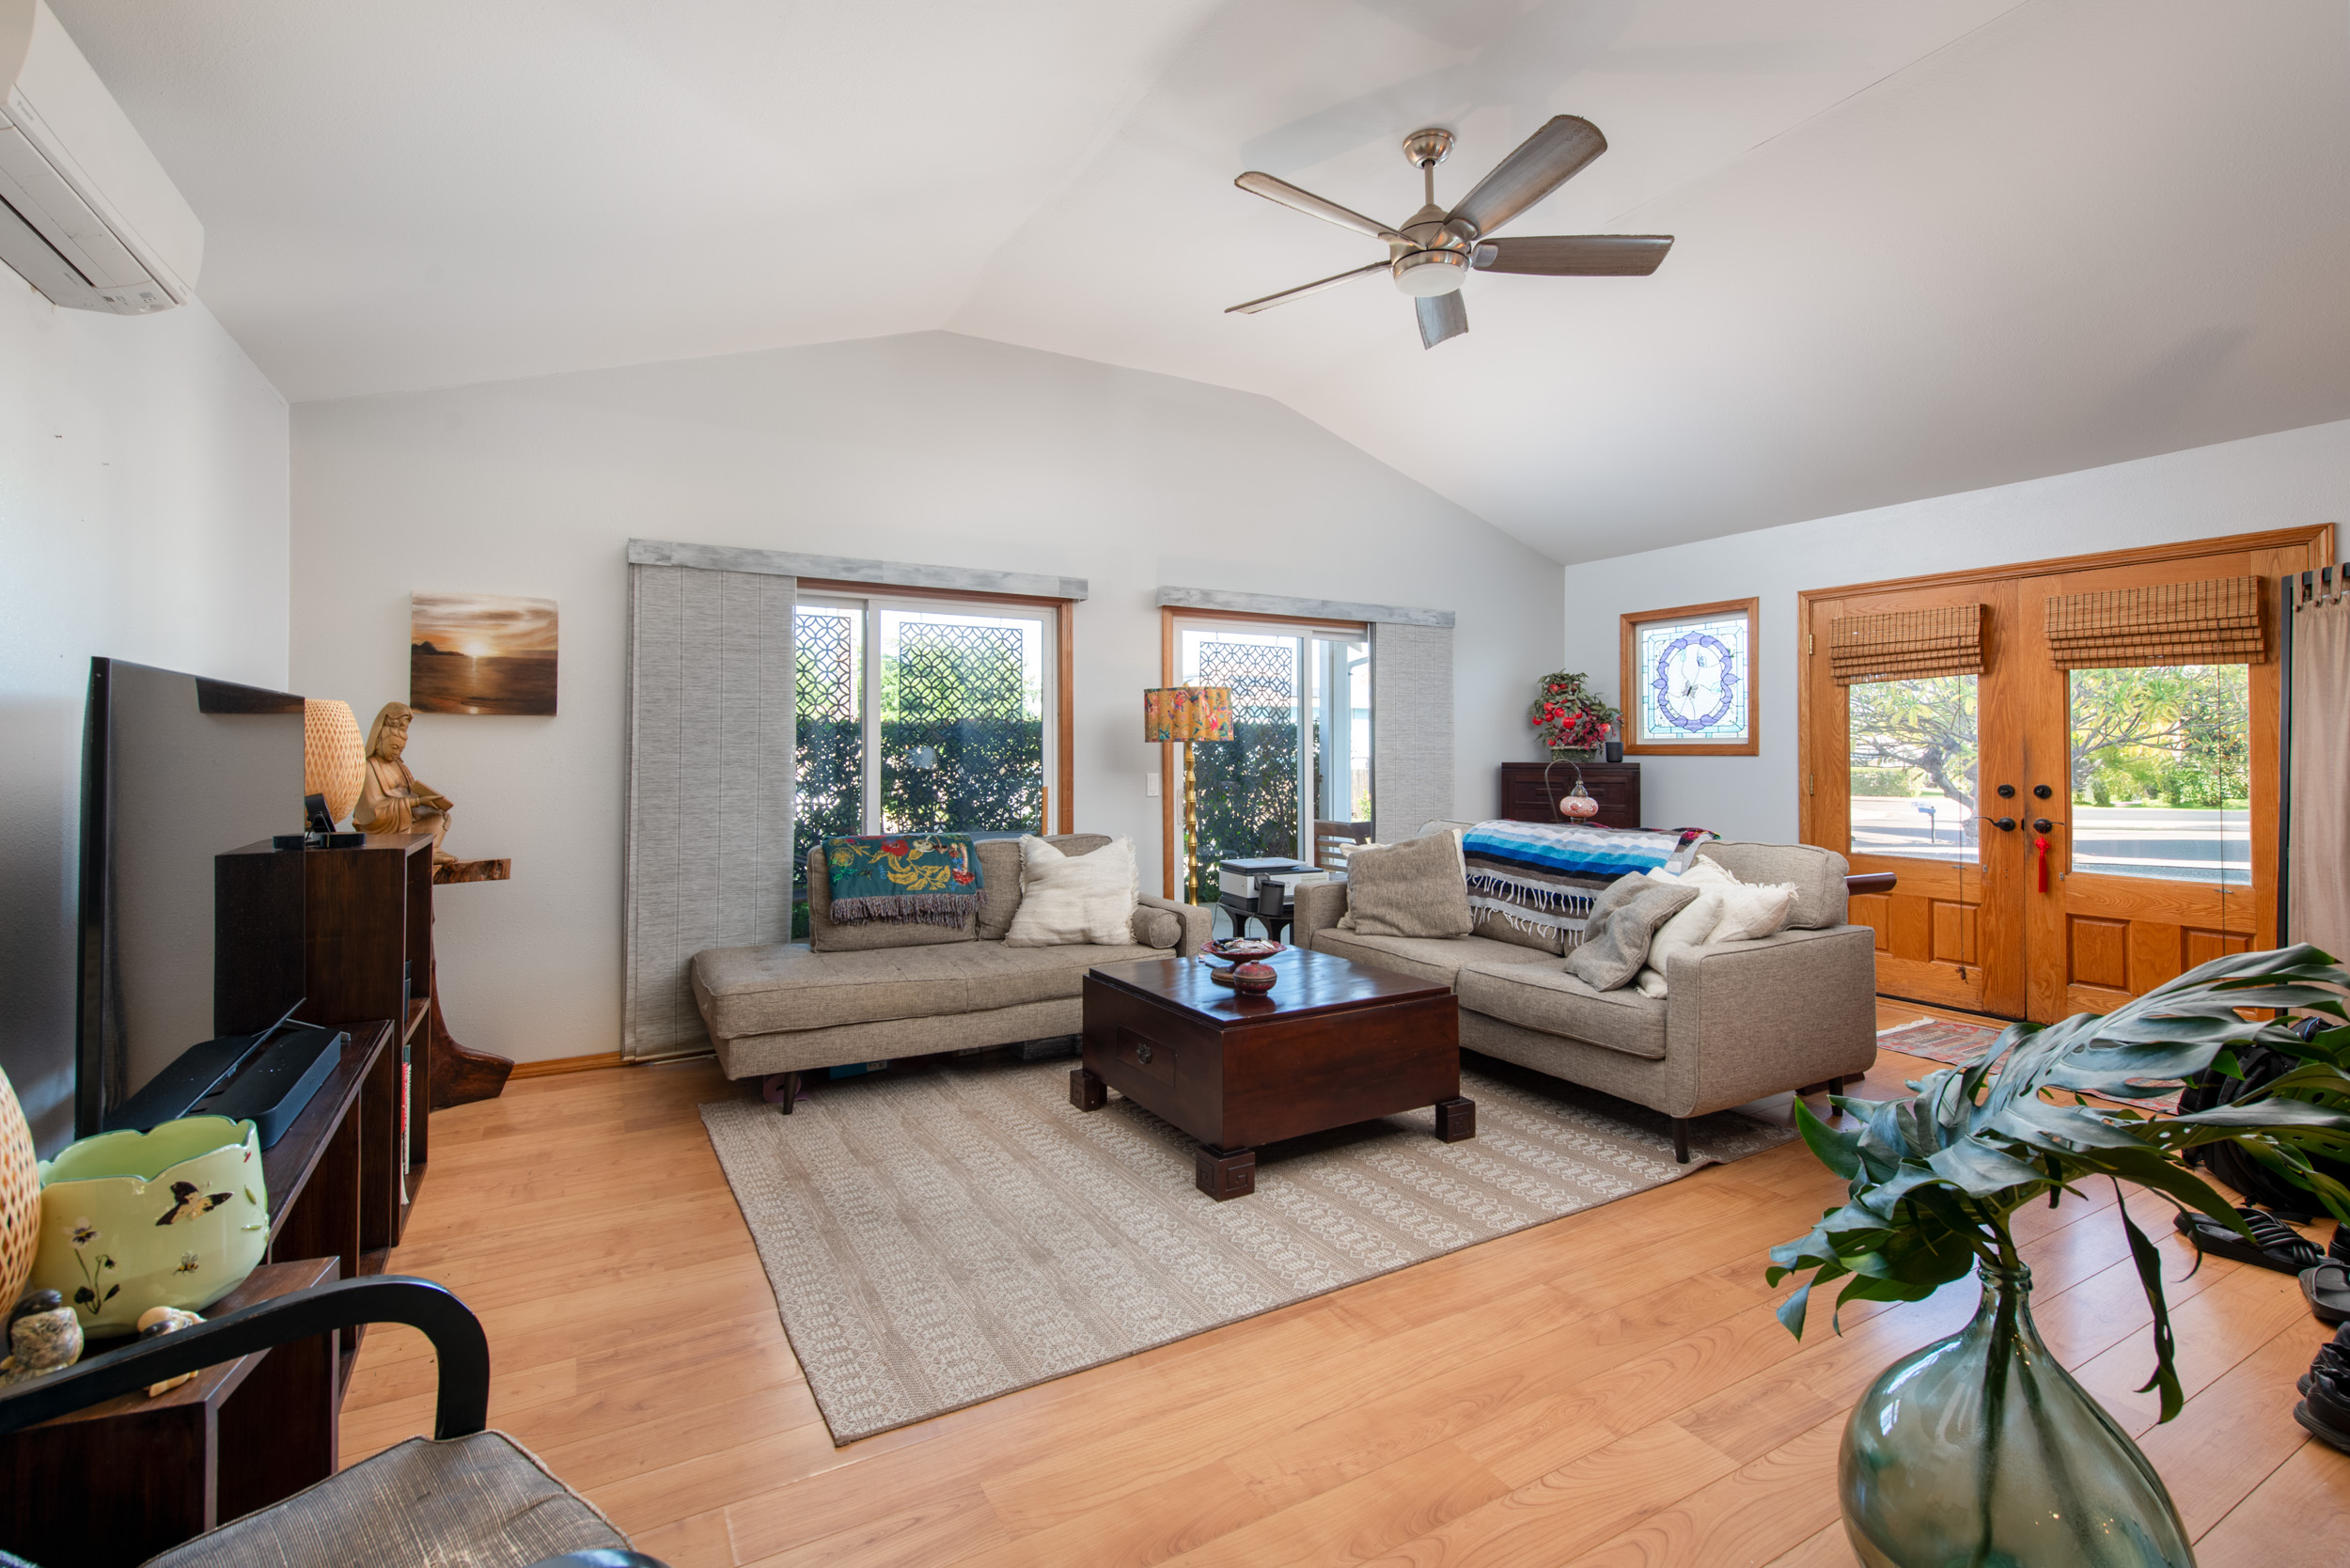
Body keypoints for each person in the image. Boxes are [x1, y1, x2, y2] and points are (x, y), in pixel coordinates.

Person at [353, 701, 456, 861]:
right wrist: (416, 802)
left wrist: (426, 801)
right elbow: (372, 810)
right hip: (385, 828)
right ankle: (424, 853)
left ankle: (433, 850)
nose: (397, 753)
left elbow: (410, 792)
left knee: (441, 817)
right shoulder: (368, 767)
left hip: (407, 819)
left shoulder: (400, 766)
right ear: (379, 741)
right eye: (394, 747)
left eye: (401, 749)